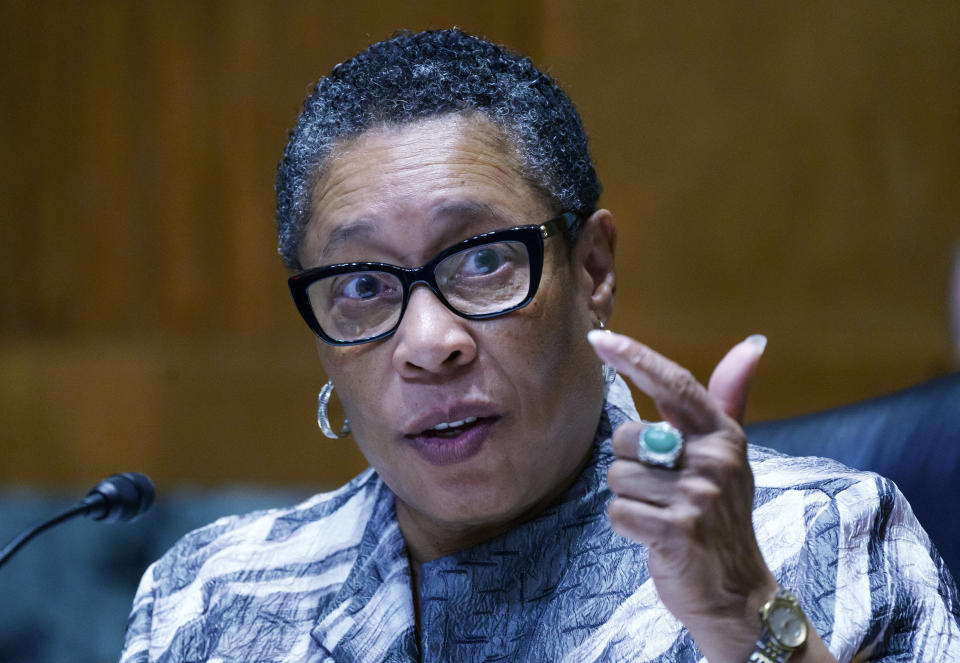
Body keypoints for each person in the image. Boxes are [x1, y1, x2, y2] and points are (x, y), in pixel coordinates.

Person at [119, 29, 960, 662]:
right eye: (364, 286)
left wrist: (747, 616)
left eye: (483, 259)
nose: (430, 342)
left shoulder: (829, 538)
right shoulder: (210, 600)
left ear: (592, 269)